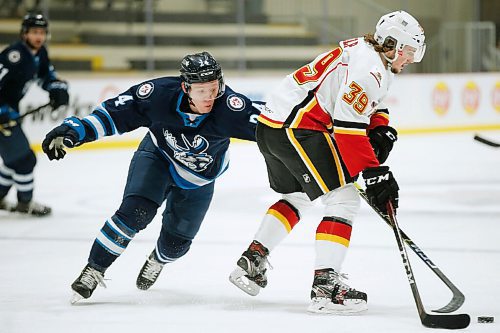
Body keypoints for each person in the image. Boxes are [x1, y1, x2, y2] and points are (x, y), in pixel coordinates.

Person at [229, 10, 426, 314]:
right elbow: (347, 126)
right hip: (297, 129)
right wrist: (374, 173)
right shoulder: (370, 69)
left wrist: (380, 128)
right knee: (344, 200)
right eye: (409, 51)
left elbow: (370, 104)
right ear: (392, 44)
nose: (411, 58)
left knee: (296, 196)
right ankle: (326, 287)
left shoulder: (367, 53)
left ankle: (252, 260)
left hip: (272, 127)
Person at [41, 51, 262, 303]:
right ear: (186, 88)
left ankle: (157, 259)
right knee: (134, 213)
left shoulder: (231, 107)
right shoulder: (157, 94)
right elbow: (114, 114)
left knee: (175, 246)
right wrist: (77, 129)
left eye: (214, 88)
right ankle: (93, 269)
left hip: (199, 177)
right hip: (158, 157)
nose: (210, 97)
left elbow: (275, 125)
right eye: (202, 91)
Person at [0, 13, 69, 216]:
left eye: (41, 32)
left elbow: (46, 76)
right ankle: (25, 203)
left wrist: (58, 89)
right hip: (3, 117)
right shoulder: (15, 56)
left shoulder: (39, 53)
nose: (38, 37)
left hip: (9, 115)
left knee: (15, 160)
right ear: (24, 34)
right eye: (33, 32)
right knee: (25, 160)